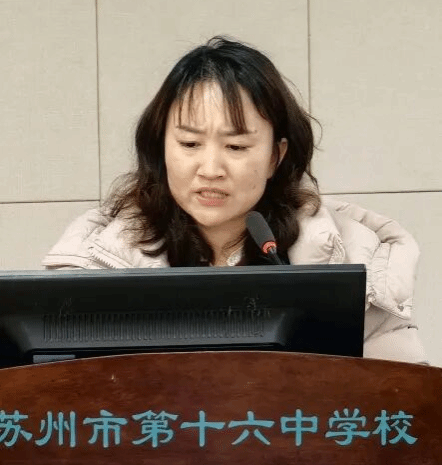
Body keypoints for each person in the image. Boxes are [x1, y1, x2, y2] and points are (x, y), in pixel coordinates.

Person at [43, 36, 427, 364]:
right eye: (189, 143)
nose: (211, 169)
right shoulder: (93, 260)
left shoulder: (354, 255)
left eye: (236, 146)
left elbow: (403, 403)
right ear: (160, 148)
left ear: (275, 156)